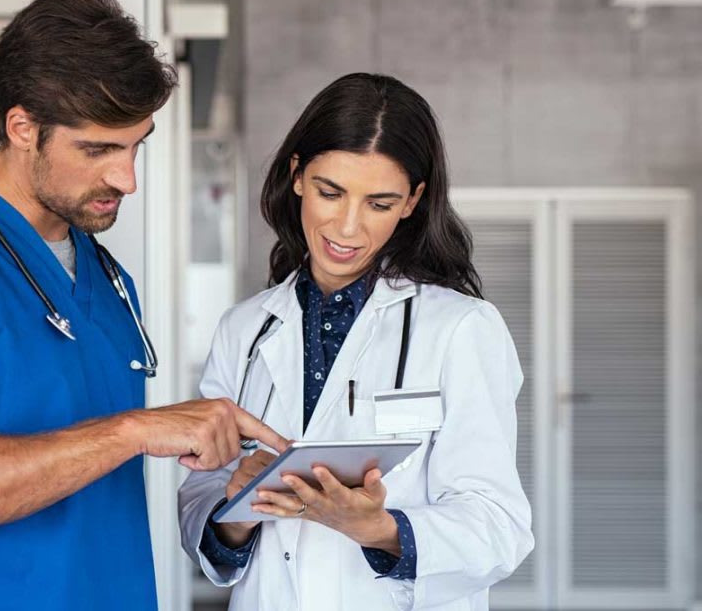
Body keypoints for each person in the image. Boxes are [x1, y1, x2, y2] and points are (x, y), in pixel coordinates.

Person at [0, 0, 286, 611]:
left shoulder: (107, 276)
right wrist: (131, 431)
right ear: (22, 127)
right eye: (98, 149)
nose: (126, 178)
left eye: (135, 146)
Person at [178, 73, 534, 611]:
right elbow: (198, 501)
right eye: (330, 192)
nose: (347, 227)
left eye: (379, 203)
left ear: (412, 201)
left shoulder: (462, 328)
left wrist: (382, 530)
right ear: (297, 176)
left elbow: (499, 527)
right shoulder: (245, 329)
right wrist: (236, 512)